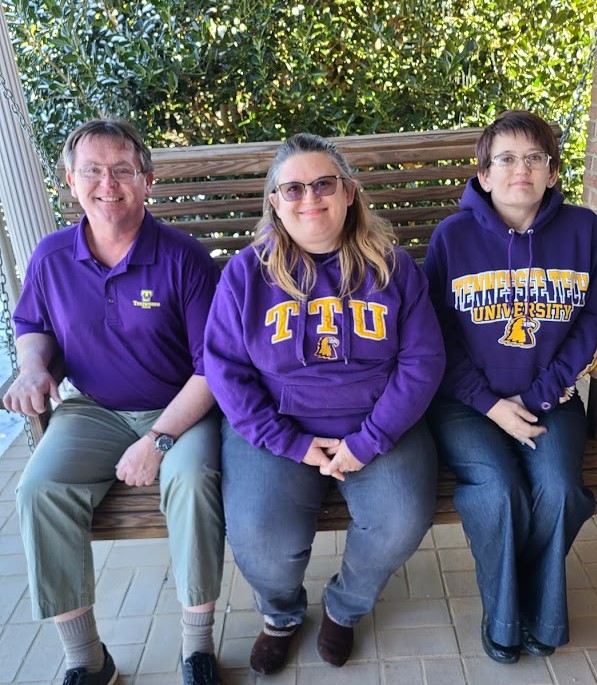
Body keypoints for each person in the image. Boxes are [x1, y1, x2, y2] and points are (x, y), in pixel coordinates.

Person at [204, 132, 445, 674]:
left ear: (350, 193)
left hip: (379, 422)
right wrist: (288, 442)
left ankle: (345, 606)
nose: (309, 198)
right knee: (259, 533)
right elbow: (225, 369)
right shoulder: (247, 273)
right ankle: (282, 614)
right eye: (292, 188)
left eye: (323, 184)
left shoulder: (392, 267)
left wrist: (369, 441)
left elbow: (422, 362)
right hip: (275, 427)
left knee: (401, 517)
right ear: (274, 202)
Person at [3, 119, 226, 685]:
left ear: (147, 180)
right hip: (94, 407)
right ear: (71, 184)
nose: (108, 183)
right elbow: (32, 323)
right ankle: (87, 659)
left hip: (179, 408)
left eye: (123, 170)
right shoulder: (52, 257)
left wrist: (158, 439)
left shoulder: (183, 258)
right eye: (92, 171)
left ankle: (196, 648)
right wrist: (31, 365)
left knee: (193, 482)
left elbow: (213, 370)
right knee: (38, 488)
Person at [424, 110, 597, 664]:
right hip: (466, 405)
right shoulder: (453, 238)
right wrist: (490, 404)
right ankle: (505, 616)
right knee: (499, 491)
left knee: (559, 489)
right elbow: (434, 333)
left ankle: (540, 611)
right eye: (505, 159)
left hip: (549, 398)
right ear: (482, 175)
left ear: (553, 172)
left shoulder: (584, 230)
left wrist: (536, 396)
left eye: (535, 158)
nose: (521, 169)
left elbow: (595, 313)